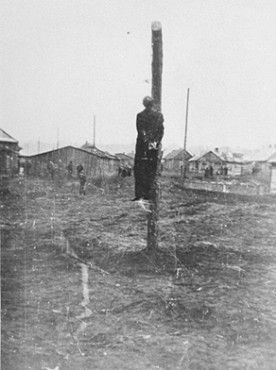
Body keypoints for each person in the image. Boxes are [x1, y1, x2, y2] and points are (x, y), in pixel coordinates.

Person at [133, 96, 164, 201]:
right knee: (150, 168)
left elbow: (140, 130)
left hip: (142, 144)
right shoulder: (158, 115)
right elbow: (161, 131)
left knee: (140, 168)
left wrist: (146, 140)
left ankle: (140, 194)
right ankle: (148, 194)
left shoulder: (140, 115)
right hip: (152, 144)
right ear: (153, 104)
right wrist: (154, 142)